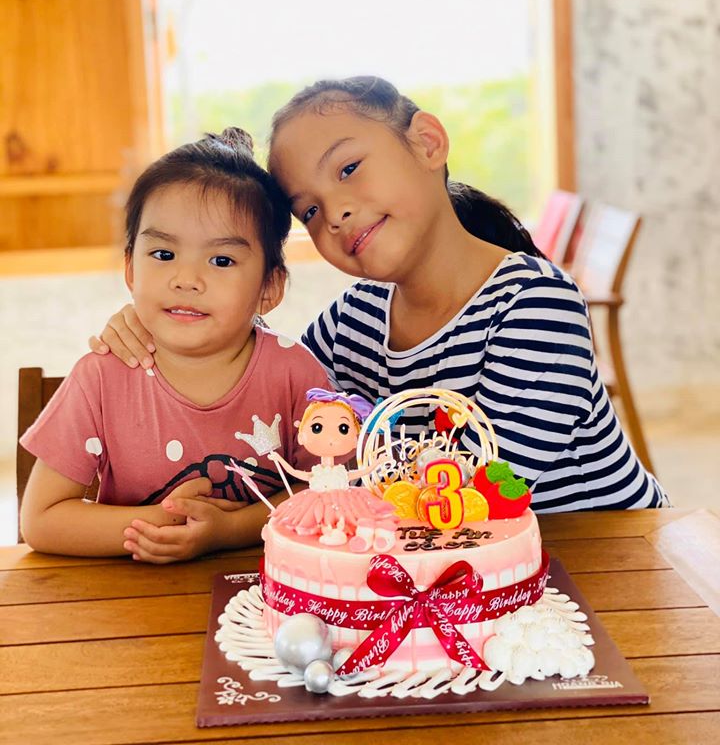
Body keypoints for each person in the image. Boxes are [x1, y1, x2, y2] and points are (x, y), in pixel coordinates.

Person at [89, 77, 668, 512]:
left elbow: (486, 490)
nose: (334, 212)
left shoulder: (535, 304)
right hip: (460, 584)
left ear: (427, 143)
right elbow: (255, 372)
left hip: (612, 569)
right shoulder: (353, 321)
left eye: (348, 169)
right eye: (308, 210)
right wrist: (165, 324)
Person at [20, 128, 329, 562]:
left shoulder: (294, 372)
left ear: (269, 288)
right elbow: (42, 520)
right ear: (130, 270)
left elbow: (332, 490)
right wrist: (165, 521)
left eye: (221, 260)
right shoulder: (101, 376)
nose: (186, 279)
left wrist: (232, 529)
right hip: (130, 597)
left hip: (265, 593)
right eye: (163, 254)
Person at [266, 387, 397, 551]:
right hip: (314, 502)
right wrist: (279, 459)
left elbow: (361, 472)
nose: (331, 438)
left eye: (343, 429)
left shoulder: (341, 472)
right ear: (301, 435)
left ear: (355, 438)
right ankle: (325, 529)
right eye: (317, 428)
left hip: (346, 500)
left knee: (357, 515)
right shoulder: (317, 472)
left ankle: (349, 531)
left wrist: (376, 463)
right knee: (311, 517)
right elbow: (294, 472)